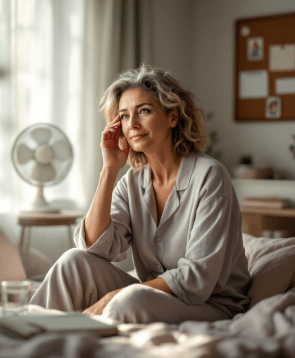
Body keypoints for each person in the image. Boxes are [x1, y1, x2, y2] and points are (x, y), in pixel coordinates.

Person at [30, 64, 251, 324]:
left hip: (213, 304)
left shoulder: (210, 176)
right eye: (124, 116)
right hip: (155, 296)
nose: (132, 124)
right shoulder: (131, 182)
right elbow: (95, 247)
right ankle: (33, 334)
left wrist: (115, 295)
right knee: (72, 261)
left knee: (129, 300)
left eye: (143, 111)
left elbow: (197, 278)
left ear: (172, 117)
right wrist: (109, 169)